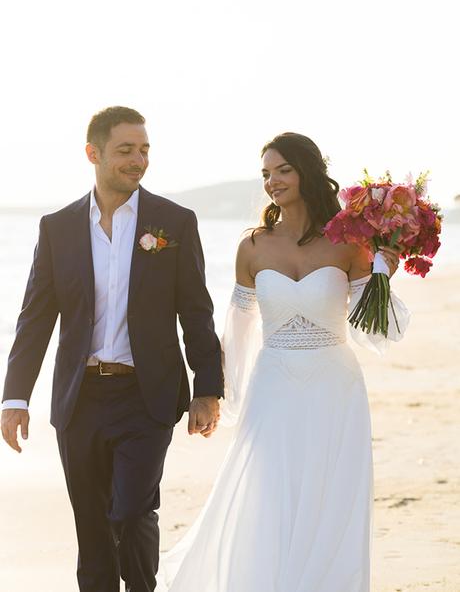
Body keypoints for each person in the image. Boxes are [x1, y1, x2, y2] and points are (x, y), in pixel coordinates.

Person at [157, 132, 409, 592]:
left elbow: (373, 332)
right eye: (266, 174)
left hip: (335, 387)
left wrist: (381, 274)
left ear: (307, 171)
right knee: (268, 495)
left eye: (283, 170)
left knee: (330, 502)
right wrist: (217, 395)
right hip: (272, 387)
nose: (272, 182)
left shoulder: (351, 244)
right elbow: (238, 328)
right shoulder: (252, 247)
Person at [1, 106, 224, 592]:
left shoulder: (174, 222)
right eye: (126, 150)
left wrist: (208, 387)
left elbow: (196, 310)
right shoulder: (56, 228)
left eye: (144, 150)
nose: (138, 160)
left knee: (132, 511)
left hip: (147, 396)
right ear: (93, 153)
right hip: (79, 400)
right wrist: (15, 397)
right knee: (93, 528)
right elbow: (36, 318)